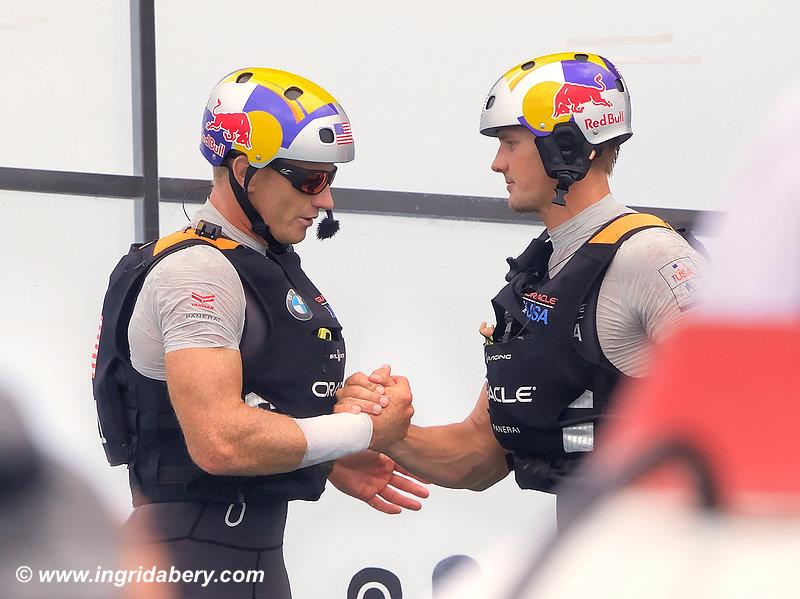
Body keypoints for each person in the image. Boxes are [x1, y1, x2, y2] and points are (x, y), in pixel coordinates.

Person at [92, 67, 425, 599]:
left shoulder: (255, 264)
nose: (326, 201)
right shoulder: (199, 271)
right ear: (245, 169)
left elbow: (260, 405)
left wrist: (331, 449)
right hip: (191, 566)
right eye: (309, 179)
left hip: (245, 561)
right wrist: (362, 431)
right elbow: (221, 442)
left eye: (329, 179)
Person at [336, 52, 707, 513]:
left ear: (566, 147)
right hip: (585, 557)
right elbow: (477, 455)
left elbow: (750, 413)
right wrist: (387, 431)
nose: (497, 163)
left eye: (510, 143)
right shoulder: (545, 271)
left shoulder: (652, 257)